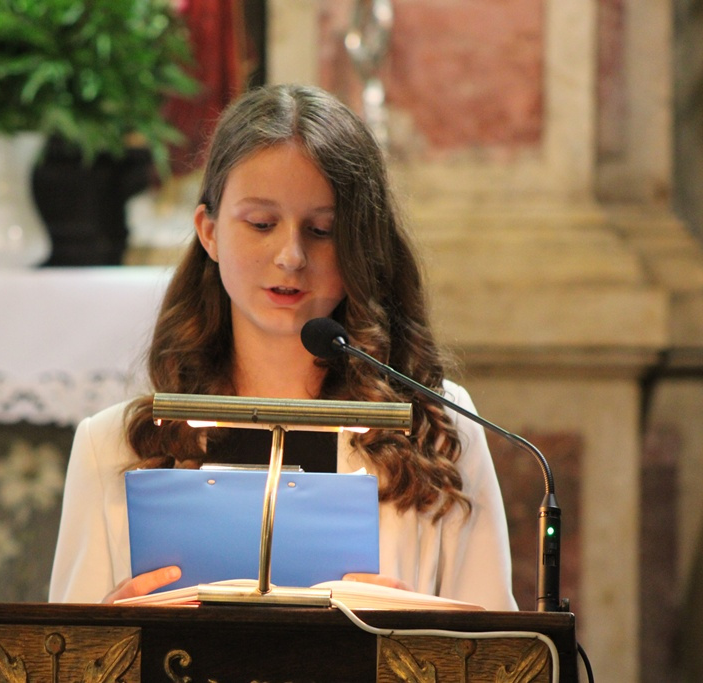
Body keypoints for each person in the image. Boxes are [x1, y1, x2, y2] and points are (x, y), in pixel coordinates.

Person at [49, 83, 518, 611]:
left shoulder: (437, 429)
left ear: (361, 243)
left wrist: (413, 634)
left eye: (321, 230)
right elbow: (60, 650)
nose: (291, 256)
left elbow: (498, 646)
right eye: (261, 224)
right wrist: (107, 636)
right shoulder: (113, 448)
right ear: (209, 231)